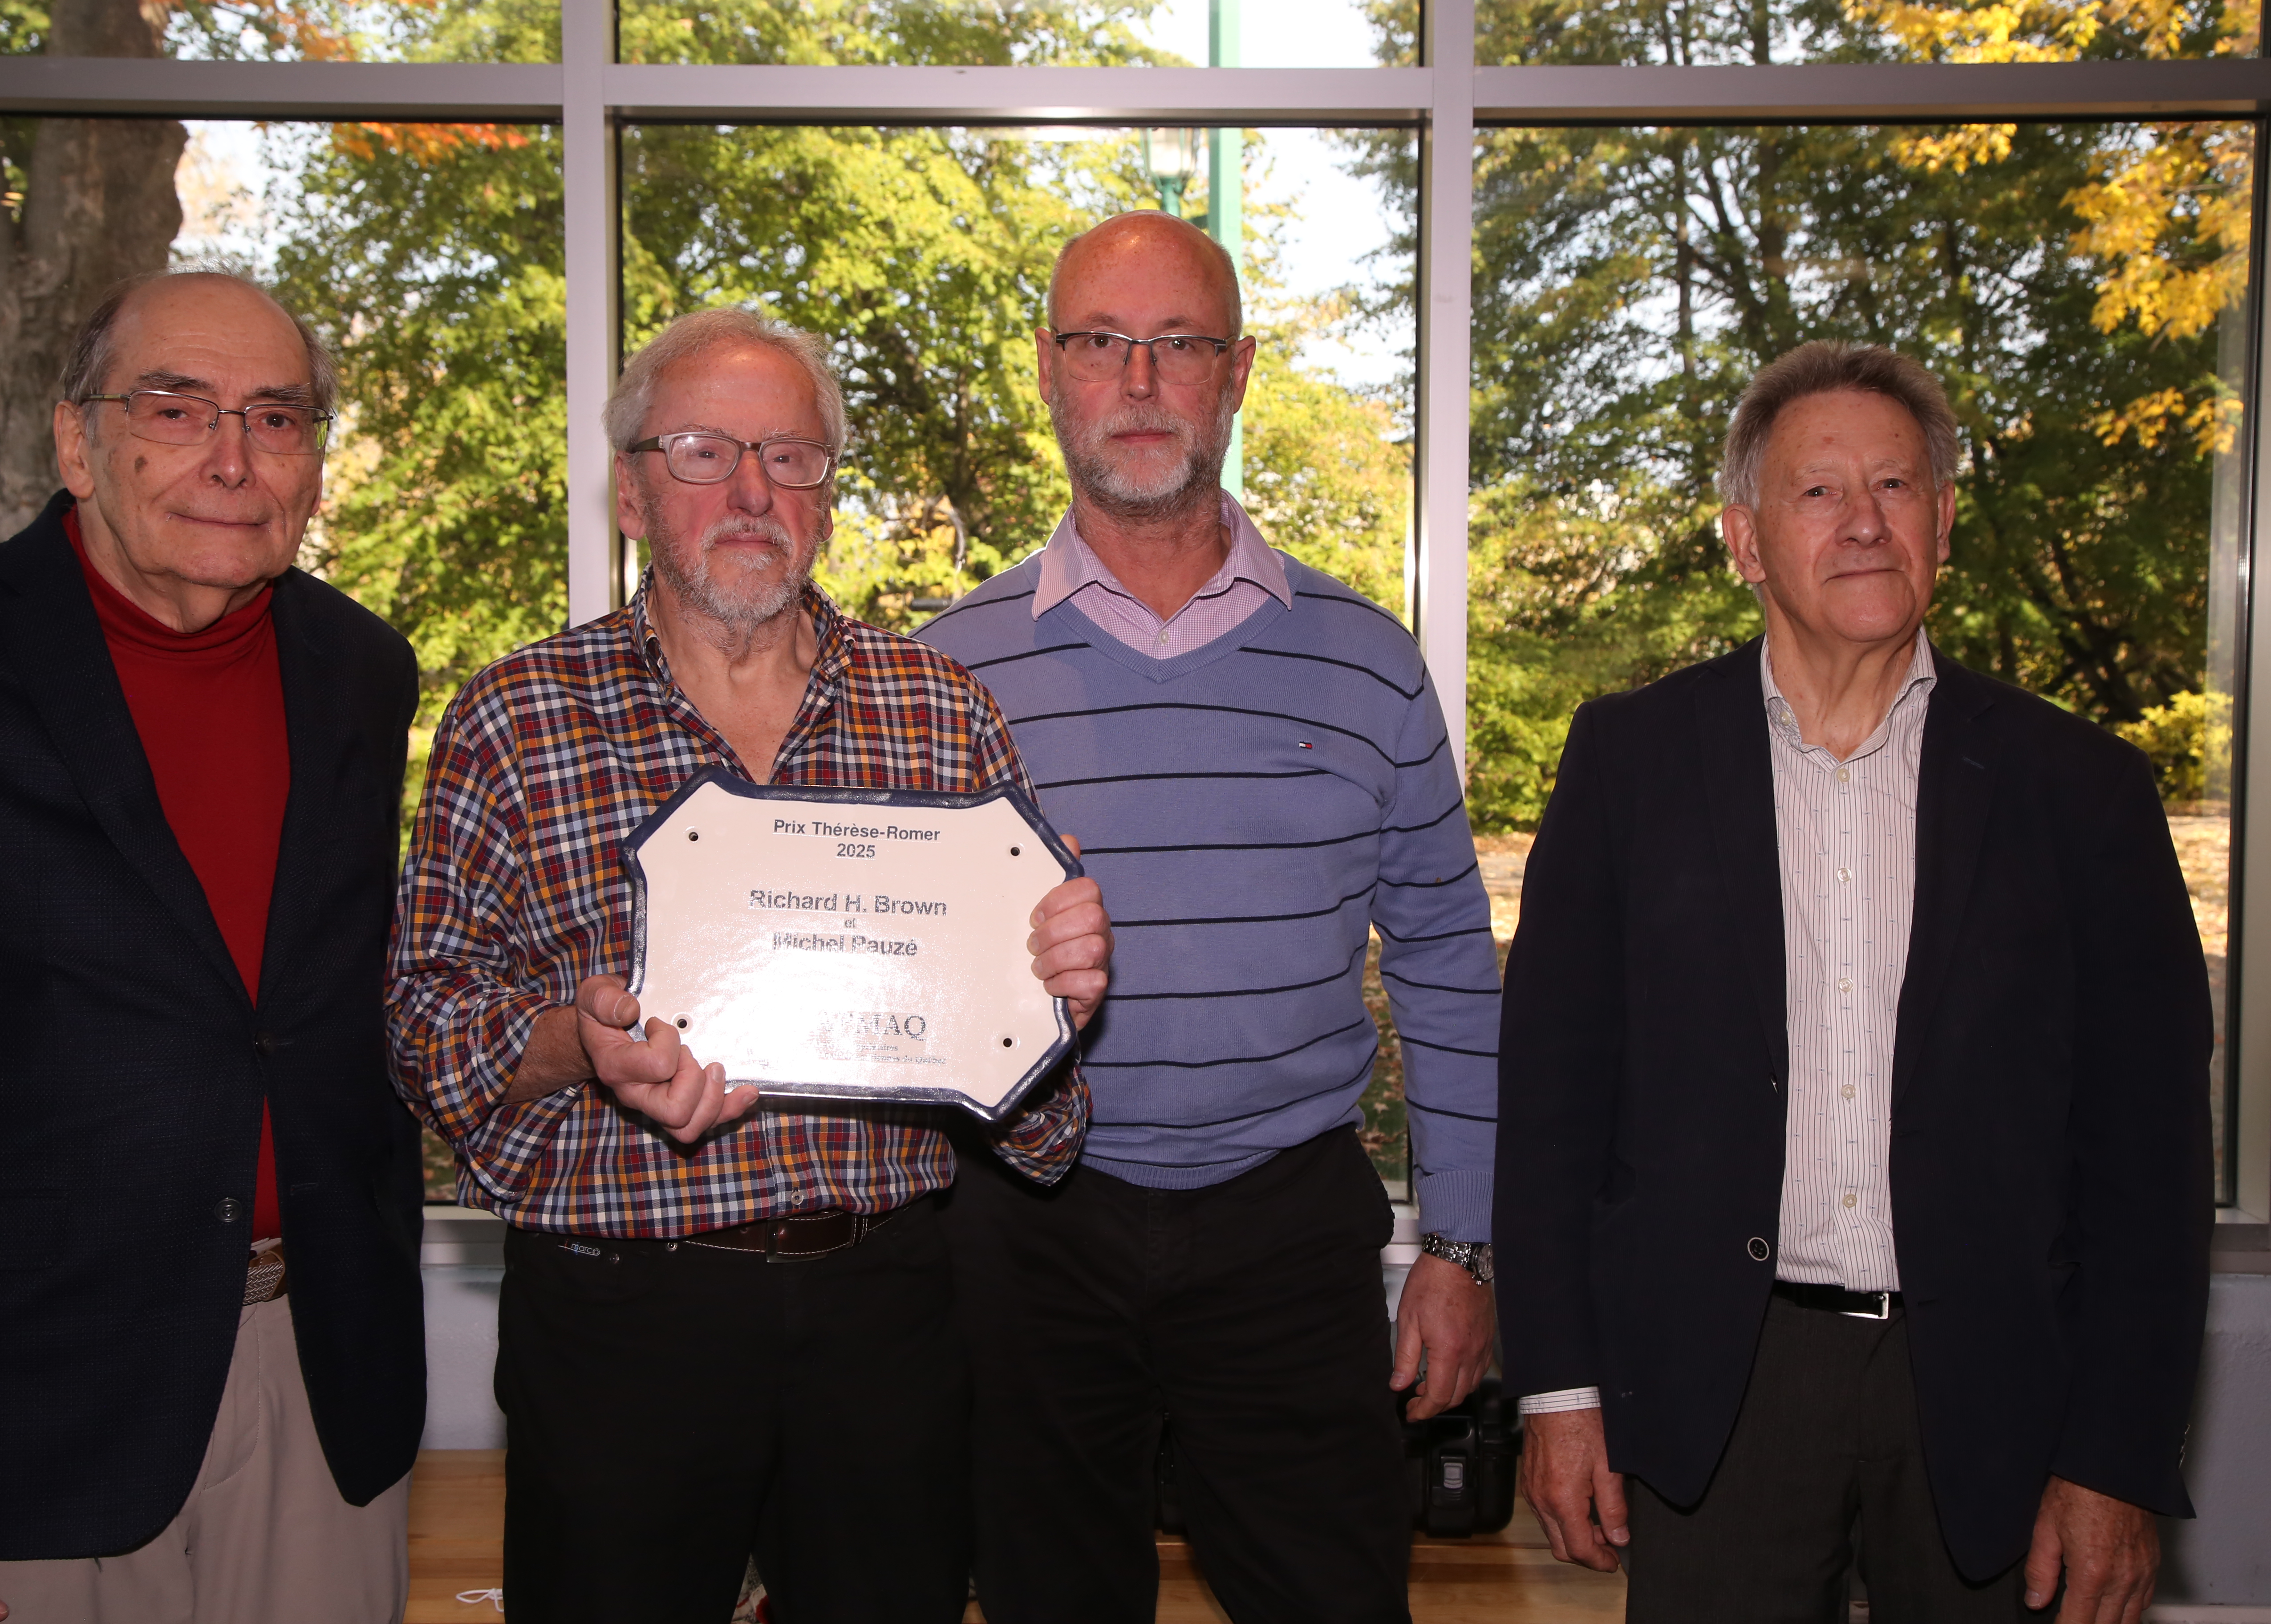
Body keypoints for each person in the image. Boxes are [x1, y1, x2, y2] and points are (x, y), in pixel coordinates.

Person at [386, 305, 1113, 1624]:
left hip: (887, 1311)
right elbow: (425, 1024)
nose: (753, 492)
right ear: (630, 492)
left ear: (830, 499)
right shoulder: (513, 715)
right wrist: (573, 1045)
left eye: (792, 457)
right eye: (704, 451)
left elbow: (1042, 1127)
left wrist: (1055, 1005)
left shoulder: (938, 709)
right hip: (621, 1320)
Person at [1495, 340, 2214, 1624]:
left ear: (1942, 523)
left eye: (1896, 486)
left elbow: (2150, 1163)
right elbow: (1552, 1109)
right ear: (1746, 540)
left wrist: (2115, 1455)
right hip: (1722, 1386)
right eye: (1818, 492)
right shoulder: (1630, 764)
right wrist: (1557, 1392)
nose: (1865, 522)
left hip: (1998, 1394)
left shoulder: (2081, 792)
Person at [914, 209, 1501, 1623]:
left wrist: (1468, 1251)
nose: (1137, 379)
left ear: (1236, 374)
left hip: (1286, 1231)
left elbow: (1447, 967)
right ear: (1049, 371)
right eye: (1100, 343)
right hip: (1028, 1225)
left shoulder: (1368, 662)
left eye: (1176, 344)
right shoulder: (942, 669)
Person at [0, 271, 425, 1624]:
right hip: (7, 1426)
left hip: (320, 1382)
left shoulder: (360, 672)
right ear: (74, 441)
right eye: (178, 408)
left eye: (278, 419)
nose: (232, 458)